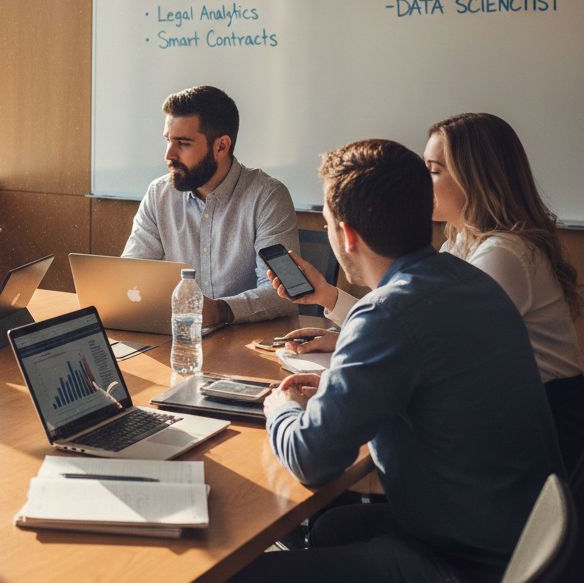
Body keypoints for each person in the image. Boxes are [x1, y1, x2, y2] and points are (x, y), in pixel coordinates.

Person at [238, 138, 562, 582]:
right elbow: (431, 382)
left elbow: (312, 460)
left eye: (328, 224)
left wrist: (281, 409)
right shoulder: (469, 279)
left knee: (241, 574)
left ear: (347, 235)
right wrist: (339, 391)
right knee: (335, 527)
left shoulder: (387, 312)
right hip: (521, 536)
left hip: (467, 563)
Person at [271, 113, 584, 472]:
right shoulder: (459, 248)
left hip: (544, 423)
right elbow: (417, 332)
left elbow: (418, 338)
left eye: (433, 171)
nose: (420, 183)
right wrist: (331, 301)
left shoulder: (503, 255)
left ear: (477, 178)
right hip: (502, 431)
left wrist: (320, 397)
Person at [122, 85, 298, 326]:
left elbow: (284, 292)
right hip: (179, 334)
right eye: (168, 141)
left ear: (221, 146)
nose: (169, 155)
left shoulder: (268, 196)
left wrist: (220, 311)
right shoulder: (158, 194)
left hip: (247, 338)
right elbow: (131, 273)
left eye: (183, 143)